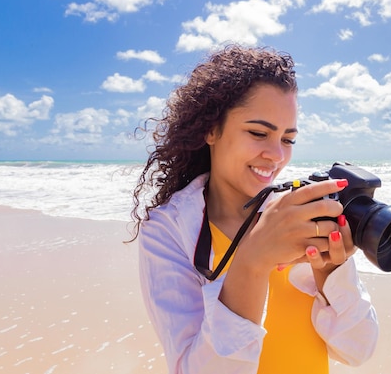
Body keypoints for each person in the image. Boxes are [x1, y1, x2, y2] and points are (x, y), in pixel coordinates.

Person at [131, 45, 378, 374]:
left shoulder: (297, 212)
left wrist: (331, 273)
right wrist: (250, 264)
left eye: (288, 139)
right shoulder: (168, 229)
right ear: (211, 129)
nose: (276, 155)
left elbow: (357, 349)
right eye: (258, 133)